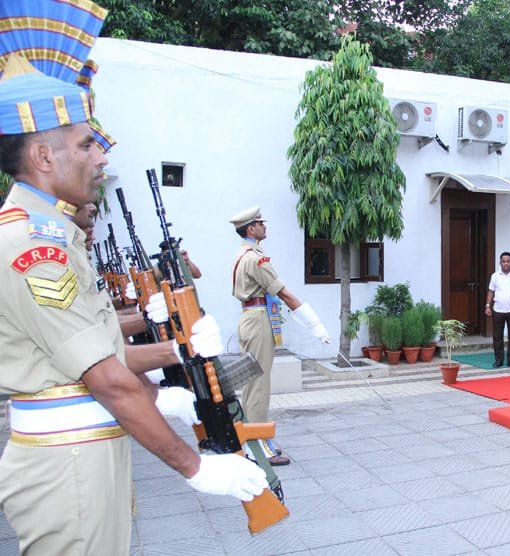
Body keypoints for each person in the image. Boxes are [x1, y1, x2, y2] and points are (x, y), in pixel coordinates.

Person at [0, 10, 268, 553]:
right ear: (42, 155)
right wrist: (197, 468)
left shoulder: (53, 233)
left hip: (84, 451)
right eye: (85, 145)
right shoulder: (35, 247)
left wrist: (168, 362)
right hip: (69, 463)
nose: (101, 156)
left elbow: (102, 352)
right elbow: (105, 377)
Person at [230, 206, 330, 464]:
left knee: (254, 383)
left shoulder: (245, 254)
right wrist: (315, 324)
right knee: (258, 384)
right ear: (251, 228)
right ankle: (255, 444)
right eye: (261, 223)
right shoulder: (256, 258)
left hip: (251, 318)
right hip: (257, 319)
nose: (265, 227)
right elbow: (284, 293)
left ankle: (254, 438)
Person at [485, 252, 510, 369]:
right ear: (500, 263)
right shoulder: (495, 276)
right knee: (497, 337)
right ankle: (498, 360)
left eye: (508, 261)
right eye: (504, 261)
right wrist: (487, 306)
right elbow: (491, 291)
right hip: (498, 310)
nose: (506, 264)